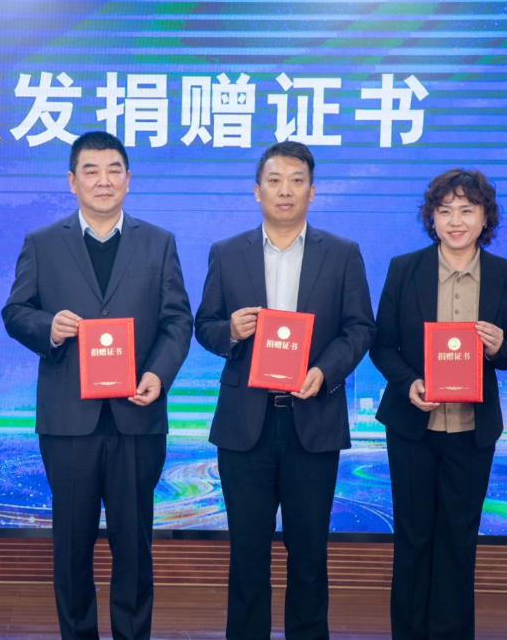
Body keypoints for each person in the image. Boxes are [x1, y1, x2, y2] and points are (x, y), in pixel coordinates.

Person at [2, 131, 193, 640]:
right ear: (72, 181)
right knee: (71, 546)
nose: (103, 180)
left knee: (134, 546)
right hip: (69, 421)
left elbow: (178, 321)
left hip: (137, 417)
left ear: (128, 179)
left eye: (114, 170)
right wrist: (49, 327)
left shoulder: (159, 242)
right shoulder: (43, 243)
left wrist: (157, 375)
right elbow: (15, 312)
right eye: (91, 171)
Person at [194, 141, 375, 640]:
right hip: (244, 425)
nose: (285, 190)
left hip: (312, 421)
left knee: (309, 553)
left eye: (297, 180)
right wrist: (230, 331)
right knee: (247, 554)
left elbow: (361, 327)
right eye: (274, 180)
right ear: (257, 191)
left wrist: (325, 371)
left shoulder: (342, 253)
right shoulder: (227, 253)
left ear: (312, 191)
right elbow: (204, 325)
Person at [370, 169, 507, 640]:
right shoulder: (405, 269)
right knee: (413, 540)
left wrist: (499, 347)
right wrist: (409, 384)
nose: (455, 221)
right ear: (432, 219)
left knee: (459, 543)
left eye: (466, 210)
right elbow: (382, 345)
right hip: (412, 428)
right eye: (445, 211)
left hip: (471, 431)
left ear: (485, 218)